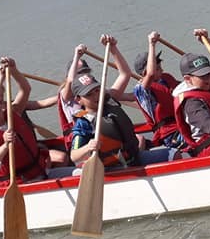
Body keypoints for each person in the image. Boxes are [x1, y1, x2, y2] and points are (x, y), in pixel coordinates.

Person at [68, 34, 178, 167]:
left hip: (134, 157)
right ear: (79, 100)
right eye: (89, 94)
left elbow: (125, 73)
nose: (96, 96)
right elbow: (74, 156)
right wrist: (88, 147)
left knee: (175, 154)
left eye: (97, 90)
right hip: (114, 168)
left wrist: (113, 48)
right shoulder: (83, 123)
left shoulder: (109, 99)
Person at [0, 57, 72, 185]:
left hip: (41, 170)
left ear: (1, 106)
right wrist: (5, 145)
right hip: (21, 182)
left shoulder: (13, 112)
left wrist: (14, 69)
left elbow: (25, 89)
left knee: (80, 172)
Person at [133, 31, 185, 150]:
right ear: (144, 73)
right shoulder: (141, 90)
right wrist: (152, 44)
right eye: (157, 68)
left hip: (182, 123)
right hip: (170, 134)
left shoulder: (166, 78)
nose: (162, 70)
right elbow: (150, 74)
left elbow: (186, 86)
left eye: (160, 67)